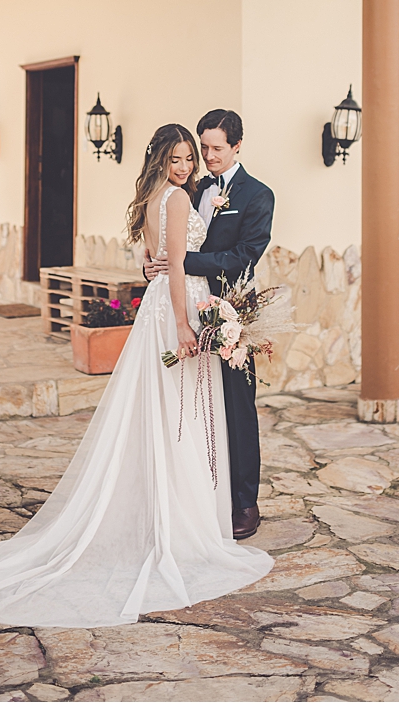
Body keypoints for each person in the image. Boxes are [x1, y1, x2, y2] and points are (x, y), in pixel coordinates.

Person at [0, 124, 273, 627]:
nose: (191, 164)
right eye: (183, 156)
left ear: (233, 148)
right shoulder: (182, 197)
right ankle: (178, 522)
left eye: (197, 155)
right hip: (178, 309)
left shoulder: (162, 196)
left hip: (171, 306)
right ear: (163, 158)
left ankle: (186, 509)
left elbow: (189, 255)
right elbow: (174, 264)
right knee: (181, 413)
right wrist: (183, 318)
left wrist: (165, 270)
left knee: (168, 410)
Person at [144, 109, 275, 540]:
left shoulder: (258, 195)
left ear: (237, 146)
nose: (207, 156)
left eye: (217, 148)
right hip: (190, 308)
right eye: (204, 148)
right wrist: (153, 266)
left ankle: (244, 502)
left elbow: (243, 257)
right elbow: (164, 235)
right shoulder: (189, 186)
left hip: (232, 313)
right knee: (198, 408)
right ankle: (204, 495)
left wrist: (179, 263)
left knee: (237, 407)